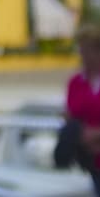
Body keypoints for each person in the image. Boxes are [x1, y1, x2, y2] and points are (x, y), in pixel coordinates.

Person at [56, 23, 100, 193]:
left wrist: (96, 134)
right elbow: (70, 114)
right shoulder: (76, 82)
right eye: (81, 49)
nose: (82, 55)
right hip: (89, 160)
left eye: (87, 50)